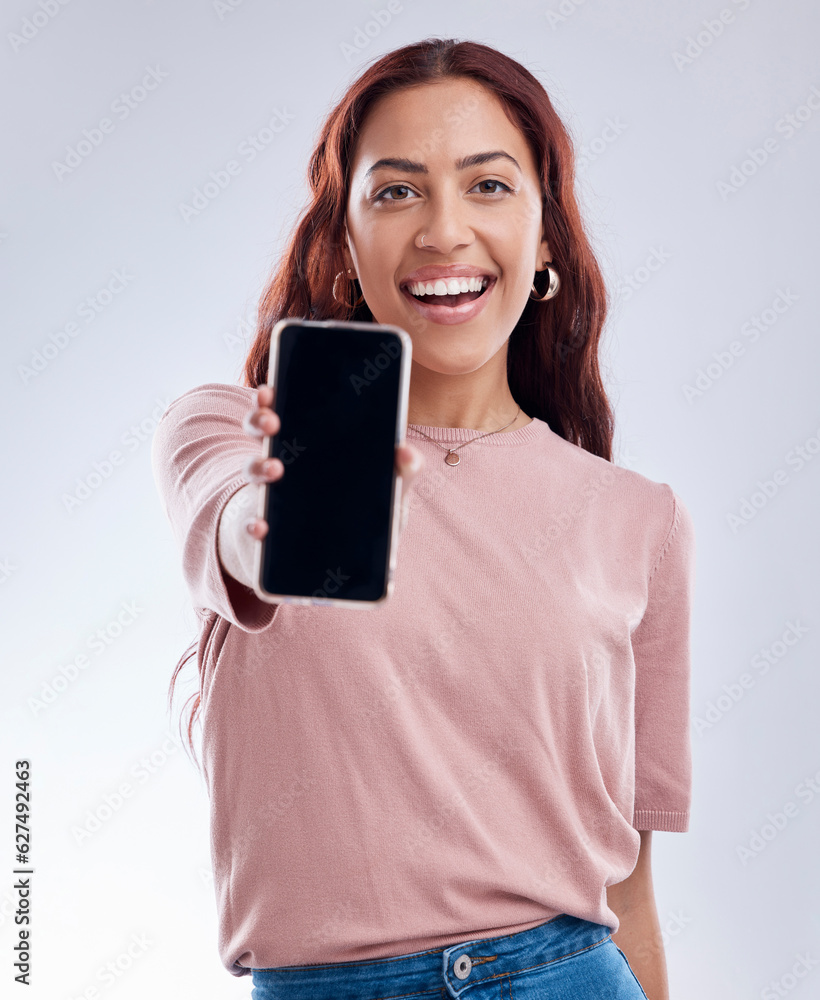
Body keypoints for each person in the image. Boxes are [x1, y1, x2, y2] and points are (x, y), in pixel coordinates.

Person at [151, 37, 696, 1000]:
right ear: (345, 240)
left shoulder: (637, 521)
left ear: (547, 241)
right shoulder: (230, 432)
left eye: (488, 186)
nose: (445, 230)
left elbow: (631, 885)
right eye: (397, 192)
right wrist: (272, 527)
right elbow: (240, 528)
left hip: (566, 973)